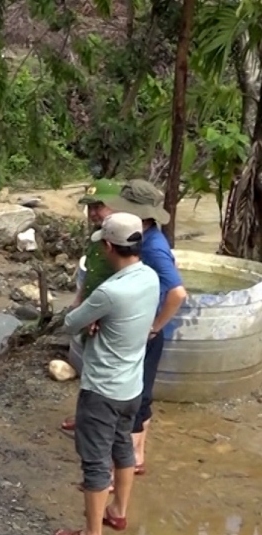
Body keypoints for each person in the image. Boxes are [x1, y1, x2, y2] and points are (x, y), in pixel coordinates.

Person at [53, 213, 159, 535]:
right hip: (131, 387)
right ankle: (118, 512)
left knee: (96, 463)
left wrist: (92, 317)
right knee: (123, 449)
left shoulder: (110, 292)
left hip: (102, 391)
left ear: (109, 246)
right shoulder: (151, 278)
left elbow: (70, 323)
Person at [101, 180, 188, 473]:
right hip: (144, 327)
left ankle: (126, 462)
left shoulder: (152, 247)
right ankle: (137, 454)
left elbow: (178, 292)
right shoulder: (147, 237)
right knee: (143, 391)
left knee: (136, 396)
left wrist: (154, 326)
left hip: (146, 330)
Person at [60, 179, 119, 434]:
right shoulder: (98, 237)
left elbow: (127, 284)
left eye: (99, 206)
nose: (94, 212)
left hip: (106, 317)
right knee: (88, 369)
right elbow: (90, 274)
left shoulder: (123, 241)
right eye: (91, 207)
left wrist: (101, 315)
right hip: (92, 312)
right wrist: (77, 302)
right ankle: (85, 417)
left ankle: (103, 427)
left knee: (107, 375)